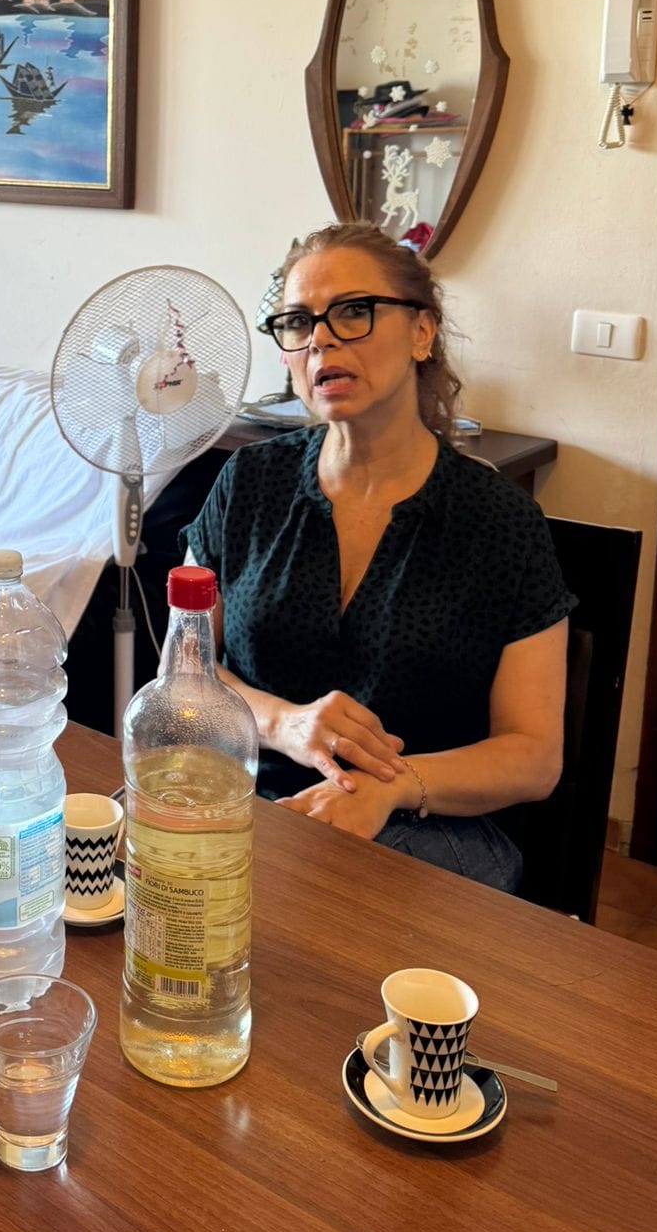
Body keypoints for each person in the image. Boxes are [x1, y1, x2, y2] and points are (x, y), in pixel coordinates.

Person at [182, 220, 571, 891]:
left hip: (428, 824)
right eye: (297, 322)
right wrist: (284, 723)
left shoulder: (500, 523)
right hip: (251, 801)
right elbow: (184, 676)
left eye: (353, 311)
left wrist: (392, 786)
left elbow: (533, 757)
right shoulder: (246, 484)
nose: (320, 339)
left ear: (422, 332)